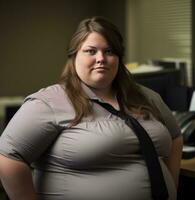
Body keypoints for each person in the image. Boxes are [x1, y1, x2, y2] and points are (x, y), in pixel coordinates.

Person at [0, 16, 183, 200]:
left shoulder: (147, 96)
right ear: (74, 55)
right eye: (90, 51)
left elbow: (175, 137)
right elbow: (7, 157)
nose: (101, 58)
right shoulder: (48, 102)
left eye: (109, 51)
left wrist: (171, 185)